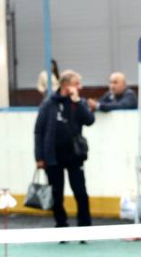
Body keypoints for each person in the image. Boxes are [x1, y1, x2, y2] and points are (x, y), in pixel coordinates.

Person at [34, 69, 94, 231]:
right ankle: (61, 224)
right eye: (76, 84)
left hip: (74, 155)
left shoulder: (78, 103)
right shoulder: (48, 104)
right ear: (66, 85)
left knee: (80, 192)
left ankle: (85, 225)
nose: (79, 87)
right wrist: (39, 157)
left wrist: (78, 101)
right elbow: (39, 130)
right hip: (53, 156)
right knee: (56, 194)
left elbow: (89, 120)